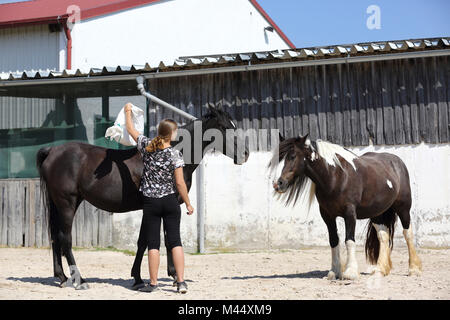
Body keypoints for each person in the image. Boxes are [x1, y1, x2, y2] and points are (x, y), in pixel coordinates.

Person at [124, 102, 194, 293]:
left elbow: (130, 129)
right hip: (170, 202)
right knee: (175, 242)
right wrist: (188, 203)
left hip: (151, 203)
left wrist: (127, 112)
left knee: (153, 244)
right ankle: (180, 282)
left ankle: (153, 284)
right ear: (171, 134)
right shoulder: (175, 154)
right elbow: (180, 183)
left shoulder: (146, 146)